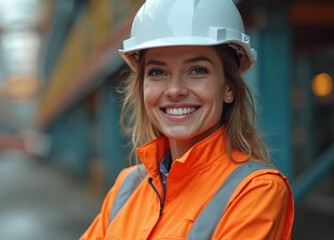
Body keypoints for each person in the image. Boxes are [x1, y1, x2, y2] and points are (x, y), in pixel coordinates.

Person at [80, 0, 294, 239]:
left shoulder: (256, 191)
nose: (174, 90)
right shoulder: (127, 187)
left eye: (197, 70)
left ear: (229, 88)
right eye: (158, 72)